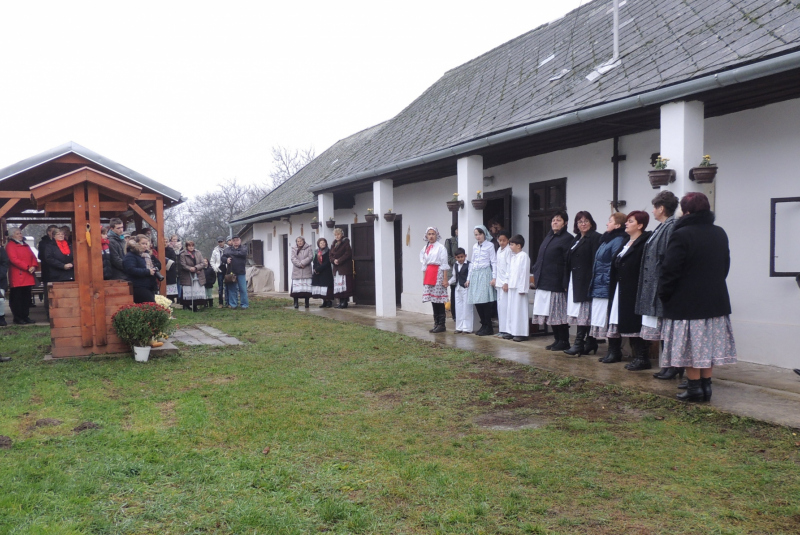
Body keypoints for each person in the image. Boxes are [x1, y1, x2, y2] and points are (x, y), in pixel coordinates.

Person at [659, 192, 737, 403]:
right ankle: (706, 386)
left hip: (687, 303)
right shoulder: (719, 232)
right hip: (714, 300)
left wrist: (664, 294)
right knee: (707, 346)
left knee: (691, 347)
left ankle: (694, 388)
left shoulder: (682, 234)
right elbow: (725, 266)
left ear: (686, 212)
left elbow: (670, 269)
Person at [635, 190, 680, 379]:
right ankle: (668, 365)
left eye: (654, 208)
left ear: (661, 208)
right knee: (661, 327)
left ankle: (672, 366)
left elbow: (668, 258)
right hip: (653, 285)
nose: (652, 212)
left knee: (666, 328)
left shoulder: (671, 227)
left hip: (660, 285)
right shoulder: (661, 227)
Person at [606, 211, 652, 371]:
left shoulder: (644, 243)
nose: (626, 223)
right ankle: (618, 352)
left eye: (630, 221)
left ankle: (642, 357)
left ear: (639, 225)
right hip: (620, 287)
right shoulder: (626, 242)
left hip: (634, 289)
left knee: (635, 322)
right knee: (619, 320)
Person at [531, 211, 573, 350]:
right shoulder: (549, 237)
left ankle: (564, 341)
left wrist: (565, 282)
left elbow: (568, 262)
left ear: (565, 223)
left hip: (556, 282)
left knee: (558, 314)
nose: (555, 222)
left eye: (558, 220)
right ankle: (557, 340)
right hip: (544, 281)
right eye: (553, 220)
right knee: (550, 314)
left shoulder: (567, 238)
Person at [589, 213, 627, 363]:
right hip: (600, 283)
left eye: (610, 221)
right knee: (604, 319)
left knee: (610, 319)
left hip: (606, 284)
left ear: (618, 225)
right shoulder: (606, 240)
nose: (607, 224)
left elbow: (613, 264)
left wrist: (606, 280)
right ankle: (611, 351)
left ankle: (614, 351)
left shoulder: (617, 240)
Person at [563, 212, 602, 356]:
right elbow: (567, 261)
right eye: (580, 222)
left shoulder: (595, 238)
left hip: (586, 281)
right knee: (582, 313)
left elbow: (595, 261)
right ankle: (590, 342)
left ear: (591, 223)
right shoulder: (576, 239)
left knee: (584, 313)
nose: (583, 224)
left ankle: (579, 343)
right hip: (575, 280)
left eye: (586, 221)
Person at [465, 225, 497, 336]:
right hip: (475, 274)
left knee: (485, 301)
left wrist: (494, 277)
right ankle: (483, 324)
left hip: (485, 273)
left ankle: (488, 326)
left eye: (480, 234)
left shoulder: (490, 245)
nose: (478, 237)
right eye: (476, 235)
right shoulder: (474, 246)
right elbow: (472, 263)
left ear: (484, 234)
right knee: (477, 300)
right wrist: (468, 278)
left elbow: (493, 261)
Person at [419, 227, 449, 332]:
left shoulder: (440, 248)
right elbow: (424, 264)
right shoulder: (425, 248)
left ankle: (442, 324)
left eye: (433, 234)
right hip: (429, 273)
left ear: (437, 235)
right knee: (433, 300)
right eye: (429, 234)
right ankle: (436, 323)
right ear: (426, 236)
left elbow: (444, 264)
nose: (431, 236)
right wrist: (424, 279)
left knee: (439, 300)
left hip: (438, 273)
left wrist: (445, 279)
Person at [6, 227, 38, 325]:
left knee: (26, 297)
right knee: (17, 298)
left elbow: (33, 256)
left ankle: (25, 316)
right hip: (18, 276)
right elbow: (13, 259)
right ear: (12, 235)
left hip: (27, 275)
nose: (20, 235)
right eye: (17, 233)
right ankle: (18, 317)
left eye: (20, 233)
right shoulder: (10, 246)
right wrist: (27, 267)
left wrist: (34, 265)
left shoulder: (25, 245)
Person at [506, 234, 531, 342]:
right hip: (512, 286)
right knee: (511, 310)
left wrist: (522, 288)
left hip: (519, 288)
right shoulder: (513, 257)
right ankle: (512, 331)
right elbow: (510, 272)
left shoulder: (523, 256)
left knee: (519, 311)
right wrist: (507, 282)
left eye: (512, 244)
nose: (510, 247)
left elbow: (524, 273)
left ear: (519, 246)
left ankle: (521, 332)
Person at [124, 235, 158, 304]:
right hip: (138, 286)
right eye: (143, 243)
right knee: (151, 307)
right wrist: (147, 272)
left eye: (146, 244)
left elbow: (158, 264)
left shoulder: (146, 255)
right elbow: (131, 269)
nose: (145, 246)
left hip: (149, 285)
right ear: (136, 244)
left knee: (149, 308)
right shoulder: (130, 255)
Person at [492, 230, 511, 338]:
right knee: (500, 307)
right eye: (500, 240)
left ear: (508, 240)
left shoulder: (508, 251)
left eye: (504, 240)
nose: (502, 242)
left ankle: (507, 330)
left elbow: (509, 267)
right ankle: (502, 329)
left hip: (505, 283)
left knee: (505, 307)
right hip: (499, 282)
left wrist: (506, 282)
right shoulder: (499, 250)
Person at [448, 247, 472, 333]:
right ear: (455, 258)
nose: (460, 259)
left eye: (462, 257)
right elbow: (454, 277)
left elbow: (470, 275)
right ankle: (459, 327)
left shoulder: (469, 264)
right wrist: (448, 283)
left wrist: (468, 281)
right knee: (458, 308)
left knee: (467, 308)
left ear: (465, 256)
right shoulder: (455, 265)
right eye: (458, 257)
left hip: (466, 288)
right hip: (458, 288)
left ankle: (467, 328)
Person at [222, 234, 248, 309]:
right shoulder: (227, 249)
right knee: (232, 289)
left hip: (241, 271)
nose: (236, 242)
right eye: (234, 240)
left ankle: (244, 305)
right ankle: (233, 304)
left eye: (237, 240)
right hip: (231, 272)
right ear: (232, 241)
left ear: (240, 241)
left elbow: (242, 254)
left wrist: (231, 255)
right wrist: (226, 260)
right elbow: (223, 257)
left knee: (243, 289)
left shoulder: (244, 248)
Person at [179, 240, 207, 311]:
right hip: (188, 275)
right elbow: (183, 264)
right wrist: (190, 268)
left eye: (192, 246)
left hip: (198, 274)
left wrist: (196, 268)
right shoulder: (183, 254)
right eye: (189, 246)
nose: (191, 247)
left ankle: (195, 306)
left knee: (196, 289)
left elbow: (202, 263)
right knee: (188, 290)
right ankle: (186, 305)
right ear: (186, 246)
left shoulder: (198, 253)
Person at [329, 228, 353, 309]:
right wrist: (333, 260)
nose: (337, 236)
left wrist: (339, 260)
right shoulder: (333, 244)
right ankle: (340, 302)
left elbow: (348, 254)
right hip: (337, 268)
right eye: (335, 235)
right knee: (338, 285)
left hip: (344, 268)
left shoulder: (346, 243)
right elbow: (330, 255)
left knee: (344, 285)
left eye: (338, 234)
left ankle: (344, 302)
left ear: (341, 234)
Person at [37, 225, 57, 312]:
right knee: (48, 292)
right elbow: (41, 256)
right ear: (49, 232)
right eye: (53, 231)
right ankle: (48, 312)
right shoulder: (43, 243)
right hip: (47, 270)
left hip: (58, 271)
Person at [290, 236, 313, 308]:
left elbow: (310, 257)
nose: (300, 242)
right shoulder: (294, 249)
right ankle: (296, 303)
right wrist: (300, 264)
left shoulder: (308, 248)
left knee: (306, 288)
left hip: (306, 270)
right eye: (298, 241)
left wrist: (303, 263)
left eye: (301, 241)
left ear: (304, 241)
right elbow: (293, 258)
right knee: (296, 289)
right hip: (297, 271)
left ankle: (307, 303)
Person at [311, 237, 334, 308]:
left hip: (326, 272)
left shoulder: (329, 251)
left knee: (326, 287)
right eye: (321, 243)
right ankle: (324, 301)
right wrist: (315, 269)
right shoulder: (316, 252)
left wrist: (319, 269)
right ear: (318, 244)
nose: (322, 244)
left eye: (324, 243)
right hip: (318, 273)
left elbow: (327, 262)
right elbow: (314, 261)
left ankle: (329, 301)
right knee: (321, 287)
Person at [444, 226, 459, 321]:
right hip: (453, 269)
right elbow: (447, 256)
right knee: (454, 292)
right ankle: (455, 315)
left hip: (464, 271)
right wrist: (457, 261)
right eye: (458, 229)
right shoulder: (450, 241)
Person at [210, 236, 227, 307]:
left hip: (227, 269)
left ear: (224, 241)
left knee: (228, 286)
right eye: (219, 242)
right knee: (220, 287)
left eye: (221, 241)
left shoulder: (228, 249)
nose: (220, 243)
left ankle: (228, 302)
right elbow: (212, 261)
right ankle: (220, 303)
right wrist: (216, 269)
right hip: (219, 269)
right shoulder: (215, 251)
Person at [164, 236, 179, 302]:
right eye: (163, 242)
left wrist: (166, 266)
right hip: (161, 270)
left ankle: (171, 298)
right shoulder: (157, 249)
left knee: (170, 286)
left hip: (169, 271)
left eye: (166, 242)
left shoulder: (171, 250)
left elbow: (173, 260)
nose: (165, 243)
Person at [0, 241, 8, 329]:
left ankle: (1, 317)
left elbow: (4, 263)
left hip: (0, 280)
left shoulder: (1, 250)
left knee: (0, 300)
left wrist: (1, 274)